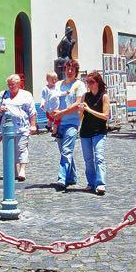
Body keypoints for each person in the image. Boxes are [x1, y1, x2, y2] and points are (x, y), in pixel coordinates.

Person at [50, 59, 86, 191]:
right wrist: (51, 111)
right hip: (59, 123)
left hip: (72, 122)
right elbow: (52, 99)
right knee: (65, 152)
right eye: (67, 69)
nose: (69, 71)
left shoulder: (79, 85)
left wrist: (62, 113)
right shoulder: (59, 84)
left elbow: (78, 104)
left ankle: (61, 178)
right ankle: (72, 177)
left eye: (72, 69)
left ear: (76, 71)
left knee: (66, 150)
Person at [0, 74, 36, 181]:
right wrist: (0, 109)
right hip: (7, 128)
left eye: (12, 84)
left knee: (22, 148)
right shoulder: (3, 94)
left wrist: (33, 125)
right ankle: (13, 171)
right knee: (10, 150)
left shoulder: (26, 95)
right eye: (9, 84)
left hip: (22, 127)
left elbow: (32, 111)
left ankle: (22, 170)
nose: (10, 86)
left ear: (18, 84)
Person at [79, 72, 109, 195]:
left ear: (98, 82)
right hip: (85, 131)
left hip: (99, 132)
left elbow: (105, 116)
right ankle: (91, 183)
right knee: (88, 159)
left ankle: (101, 184)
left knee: (99, 158)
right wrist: (81, 111)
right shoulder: (85, 96)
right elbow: (81, 116)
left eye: (91, 82)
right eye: (87, 82)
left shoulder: (104, 96)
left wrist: (89, 110)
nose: (89, 84)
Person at [40, 71, 69, 136]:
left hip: (56, 107)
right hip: (50, 108)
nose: (54, 81)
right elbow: (43, 97)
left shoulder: (56, 87)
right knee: (57, 120)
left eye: (55, 79)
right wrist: (42, 104)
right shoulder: (45, 89)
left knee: (51, 118)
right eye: (52, 79)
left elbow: (59, 93)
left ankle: (49, 126)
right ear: (47, 80)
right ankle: (54, 132)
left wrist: (65, 93)